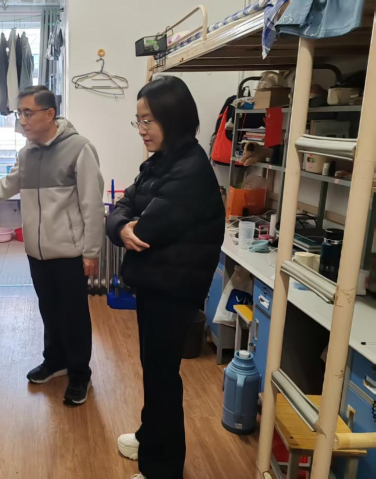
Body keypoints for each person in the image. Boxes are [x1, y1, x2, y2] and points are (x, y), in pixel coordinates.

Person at [106, 77, 225, 479]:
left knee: (162, 378)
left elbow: (146, 229)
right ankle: (150, 436)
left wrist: (126, 226)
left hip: (173, 291)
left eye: (149, 120)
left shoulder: (189, 170)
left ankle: (162, 468)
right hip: (157, 284)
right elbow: (123, 205)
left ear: (174, 118)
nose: (142, 129)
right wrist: (121, 225)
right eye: (138, 120)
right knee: (154, 370)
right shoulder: (162, 160)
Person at [0, 85, 105, 406]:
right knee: (49, 310)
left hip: (70, 253)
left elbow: (92, 205)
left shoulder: (79, 148)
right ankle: (55, 361)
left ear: (50, 114)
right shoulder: (27, 153)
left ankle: (80, 374)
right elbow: (7, 185)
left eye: (28, 113)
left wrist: (91, 252)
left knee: (74, 316)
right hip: (36, 252)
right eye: (19, 113)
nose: (22, 120)